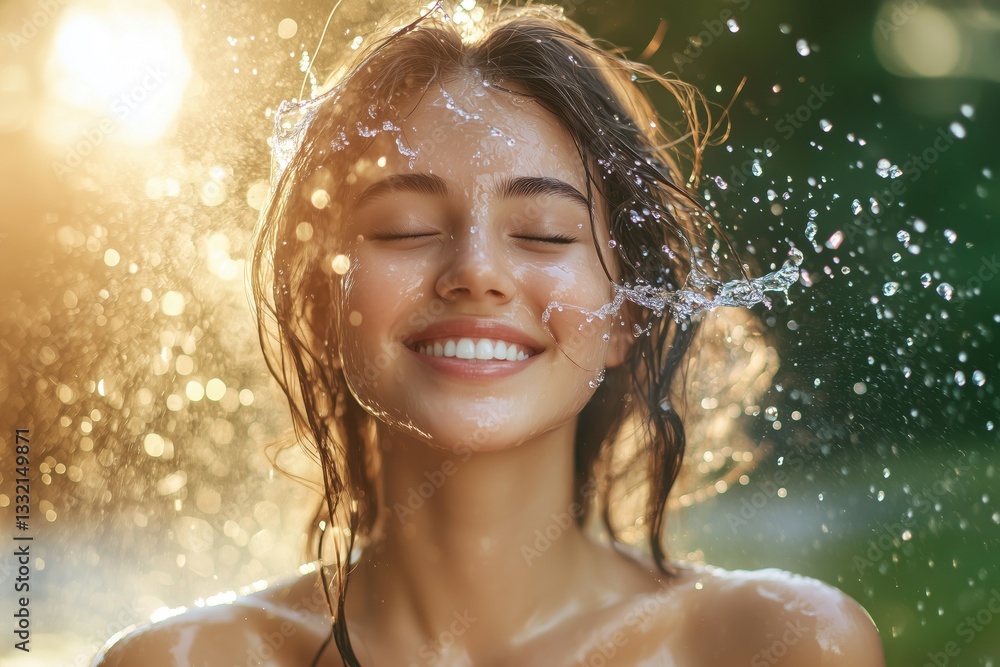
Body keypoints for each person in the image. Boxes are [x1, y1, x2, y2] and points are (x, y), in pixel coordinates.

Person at [94, 2, 884, 665]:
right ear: (322, 303)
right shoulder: (185, 659)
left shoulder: (777, 645)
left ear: (630, 315)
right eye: (404, 229)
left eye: (542, 234)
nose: (476, 272)